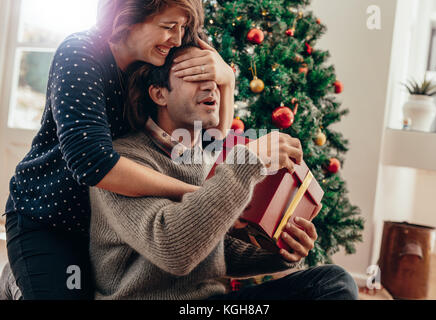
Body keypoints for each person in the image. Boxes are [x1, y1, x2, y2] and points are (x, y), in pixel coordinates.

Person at [3, 0, 235, 300]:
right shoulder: (81, 54)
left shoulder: (156, 60)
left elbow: (210, 139)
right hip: (50, 220)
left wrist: (227, 80)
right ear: (128, 18)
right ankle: (18, 279)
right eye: (168, 27)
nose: (178, 39)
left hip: (108, 231)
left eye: (183, 28)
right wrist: (194, 194)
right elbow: (91, 161)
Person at [88, 44, 359, 300]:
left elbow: (215, 252)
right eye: (196, 77)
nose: (212, 88)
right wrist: (249, 160)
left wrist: (282, 252)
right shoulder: (121, 160)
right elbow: (175, 251)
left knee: (332, 283)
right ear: (159, 93)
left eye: (217, 80)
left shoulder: (203, 159)